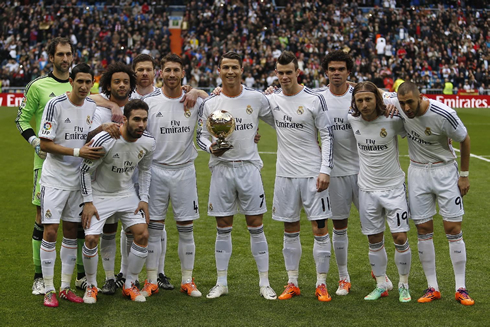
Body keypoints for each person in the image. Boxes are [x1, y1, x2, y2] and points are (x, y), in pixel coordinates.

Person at [196, 51, 277, 300]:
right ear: (218, 70)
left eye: (234, 67)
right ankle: (222, 282)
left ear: (242, 69)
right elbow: (200, 135)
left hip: (249, 168)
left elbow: (279, 120)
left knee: (256, 225)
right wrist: (211, 147)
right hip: (221, 169)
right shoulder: (210, 103)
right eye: (225, 67)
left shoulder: (256, 98)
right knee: (223, 227)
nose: (230, 71)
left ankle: (264, 283)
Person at [391, 81, 474, 306]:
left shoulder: (444, 114)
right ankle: (432, 287)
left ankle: (460, 288)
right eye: (402, 103)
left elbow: (464, 139)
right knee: (423, 229)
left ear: (421, 97)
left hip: (445, 171)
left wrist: (464, 175)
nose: (406, 108)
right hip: (418, 172)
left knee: (453, 228)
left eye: (410, 102)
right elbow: (373, 91)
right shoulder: (397, 106)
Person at [14, 37, 85, 295]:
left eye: (69, 54)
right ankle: (38, 277)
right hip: (46, 166)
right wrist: (35, 141)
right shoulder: (38, 86)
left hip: (79, 168)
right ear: (51, 57)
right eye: (60, 55)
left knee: (76, 223)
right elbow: (21, 119)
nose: (65, 59)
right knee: (44, 221)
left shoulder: (84, 84)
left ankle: (79, 276)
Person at [267, 51, 334, 302]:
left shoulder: (315, 99)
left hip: (312, 175)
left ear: (298, 72)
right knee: (290, 228)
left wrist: (325, 170)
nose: (285, 76)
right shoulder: (271, 100)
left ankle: (321, 283)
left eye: (289, 72)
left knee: (320, 228)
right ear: (276, 73)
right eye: (280, 72)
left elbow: (327, 135)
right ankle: (292, 282)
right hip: (285, 175)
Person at [37, 63, 104, 307]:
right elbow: (45, 144)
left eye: (89, 82)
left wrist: (102, 128)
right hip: (55, 180)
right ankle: (48, 288)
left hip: (78, 181)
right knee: (51, 231)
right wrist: (78, 151)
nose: (85, 87)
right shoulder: (55, 105)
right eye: (80, 82)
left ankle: (65, 287)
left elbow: (85, 134)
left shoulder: (92, 106)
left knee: (71, 233)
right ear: (72, 81)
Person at [141, 53, 208, 297]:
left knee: (186, 228)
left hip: (184, 171)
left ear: (183, 73)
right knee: (154, 229)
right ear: (161, 72)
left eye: (175, 70)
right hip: (155, 171)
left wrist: (198, 91)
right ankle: (151, 280)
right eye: (167, 70)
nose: (171, 74)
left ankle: (187, 280)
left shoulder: (195, 101)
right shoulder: (149, 102)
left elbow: (219, 106)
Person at [80, 99, 155, 303]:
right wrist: (88, 201)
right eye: (136, 119)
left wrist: (144, 199)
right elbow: (85, 171)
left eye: (144, 120)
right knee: (91, 240)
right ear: (125, 119)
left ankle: (130, 284)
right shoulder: (105, 139)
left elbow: (146, 170)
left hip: (127, 194)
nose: (141, 124)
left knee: (142, 234)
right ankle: (91, 286)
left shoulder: (148, 142)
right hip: (100, 195)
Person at [348, 81, 412, 303]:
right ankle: (381, 283)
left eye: (368, 99)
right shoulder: (352, 118)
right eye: (360, 100)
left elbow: (415, 128)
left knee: (400, 237)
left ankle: (404, 284)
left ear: (377, 99)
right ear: (354, 103)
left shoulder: (393, 118)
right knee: (374, 240)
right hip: (366, 189)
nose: (364, 104)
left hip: (394, 187)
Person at [86, 62, 136, 296]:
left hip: (131, 180)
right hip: (104, 181)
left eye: (126, 81)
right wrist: (104, 127)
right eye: (117, 81)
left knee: (132, 231)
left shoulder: (137, 106)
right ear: (108, 84)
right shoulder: (99, 110)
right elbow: (87, 138)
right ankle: (108, 278)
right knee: (108, 228)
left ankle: (125, 276)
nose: (122, 85)